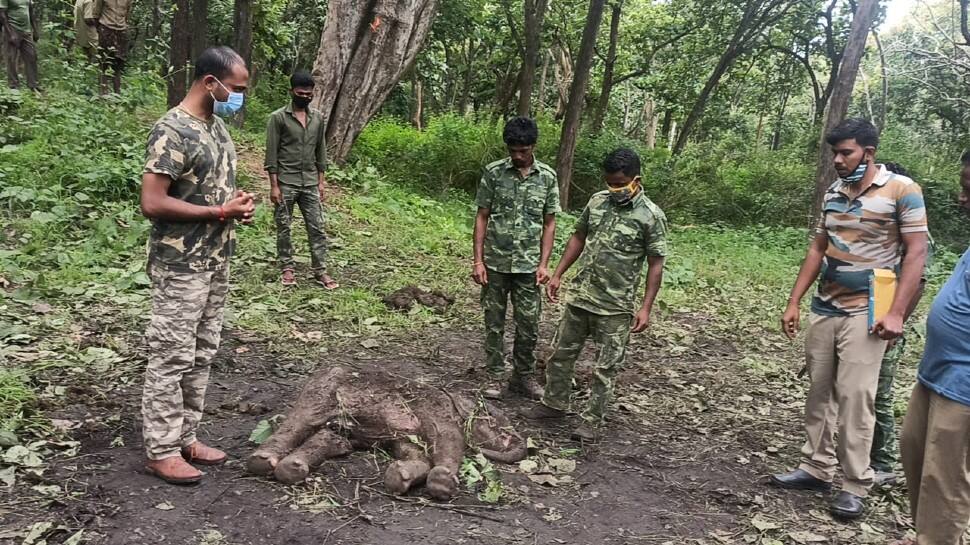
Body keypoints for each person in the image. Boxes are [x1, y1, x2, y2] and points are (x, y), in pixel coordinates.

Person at [772, 118, 929, 519]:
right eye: (835, 153)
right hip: (826, 307)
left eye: (846, 153)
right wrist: (794, 301)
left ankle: (856, 482)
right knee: (819, 392)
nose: (838, 160)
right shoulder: (834, 192)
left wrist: (896, 312)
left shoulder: (902, 191)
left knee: (857, 397)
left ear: (868, 153)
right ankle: (815, 467)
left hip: (869, 313)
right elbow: (817, 249)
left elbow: (916, 254)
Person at [139, 46, 254, 485]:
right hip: (180, 264)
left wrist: (237, 206)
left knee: (202, 352)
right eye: (236, 89)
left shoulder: (217, 128)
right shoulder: (172, 130)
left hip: (214, 259)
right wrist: (217, 213)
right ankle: (160, 448)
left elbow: (212, 191)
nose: (238, 96)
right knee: (171, 355)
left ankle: (186, 436)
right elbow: (153, 201)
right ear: (211, 82)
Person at [525, 148, 667, 442]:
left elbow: (656, 264)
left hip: (615, 305)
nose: (614, 189)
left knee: (606, 367)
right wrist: (559, 272)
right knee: (560, 355)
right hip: (581, 295)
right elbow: (579, 236)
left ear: (635, 180)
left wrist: (645, 307)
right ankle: (554, 404)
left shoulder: (651, 216)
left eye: (620, 183)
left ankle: (592, 420)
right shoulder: (597, 202)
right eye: (610, 183)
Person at [895, 153, 970, 545]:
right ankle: (927, 534)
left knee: (946, 477)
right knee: (915, 452)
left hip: (964, 385)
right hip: (935, 372)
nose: (961, 197)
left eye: (968, 189)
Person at [473, 116, 559, 400]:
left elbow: (549, 223)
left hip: (528, 266)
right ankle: (496, 376)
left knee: (529, 324)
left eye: (523, 150)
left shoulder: (547, 177)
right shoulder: (494, 173)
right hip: (496, 263)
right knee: (494, 322)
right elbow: (482, 216)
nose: (518, 156)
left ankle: (523, 377)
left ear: (533, 146)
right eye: (513, 150)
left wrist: (544, 264)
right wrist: (478, 260)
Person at [868, 162, 933, 487]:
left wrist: (897, 321)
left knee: (879, 391)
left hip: (889, 324)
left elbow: (918, 282)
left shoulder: (915, 231)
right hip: (866, 316)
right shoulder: (880, 224)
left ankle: (884, 463)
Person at [264, 70, 336, 289]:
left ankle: (320, 270)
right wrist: (274, 186)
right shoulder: (278, 118)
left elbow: (320, 151)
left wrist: (321, 181)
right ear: (292, 92)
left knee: (317, 227)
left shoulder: (318, 119)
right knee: (284, 226)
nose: (305, 96)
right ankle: (287, 268)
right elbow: (272, 154)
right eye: (301, 93)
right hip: (286, 181)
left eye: (309, 93)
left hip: (310, 182)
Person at [87, 0, 132, 94]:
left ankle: (117, 96)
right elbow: (95, 14)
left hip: (121, 31)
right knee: (103, 63)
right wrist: (100, 30)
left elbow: (127, 14)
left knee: (118, 66)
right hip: (106, 28)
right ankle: (103, 94)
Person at [0, 0, 39, 91]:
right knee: (11, 58)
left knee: (31, 56)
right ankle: (14, 86)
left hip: (27, 30)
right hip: (13, 29)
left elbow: (30, 11)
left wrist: (35, 30)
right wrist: (10, 34)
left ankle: (33, 85)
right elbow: (2, 14)